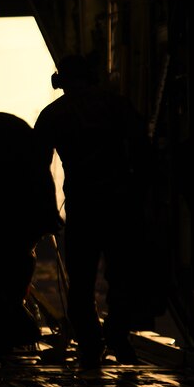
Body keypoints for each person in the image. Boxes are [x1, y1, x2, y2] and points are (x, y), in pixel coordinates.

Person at [33, 53, 151, 370]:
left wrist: (46, 209)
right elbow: (143, 150)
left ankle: (90, 344)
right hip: (121, 206)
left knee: (81, 281)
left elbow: (36, 168)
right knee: (122, 275)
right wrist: (141, 196)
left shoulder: (53, 115)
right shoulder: (117, 105)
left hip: (83, 208)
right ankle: (117, 336)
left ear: (60, 81)